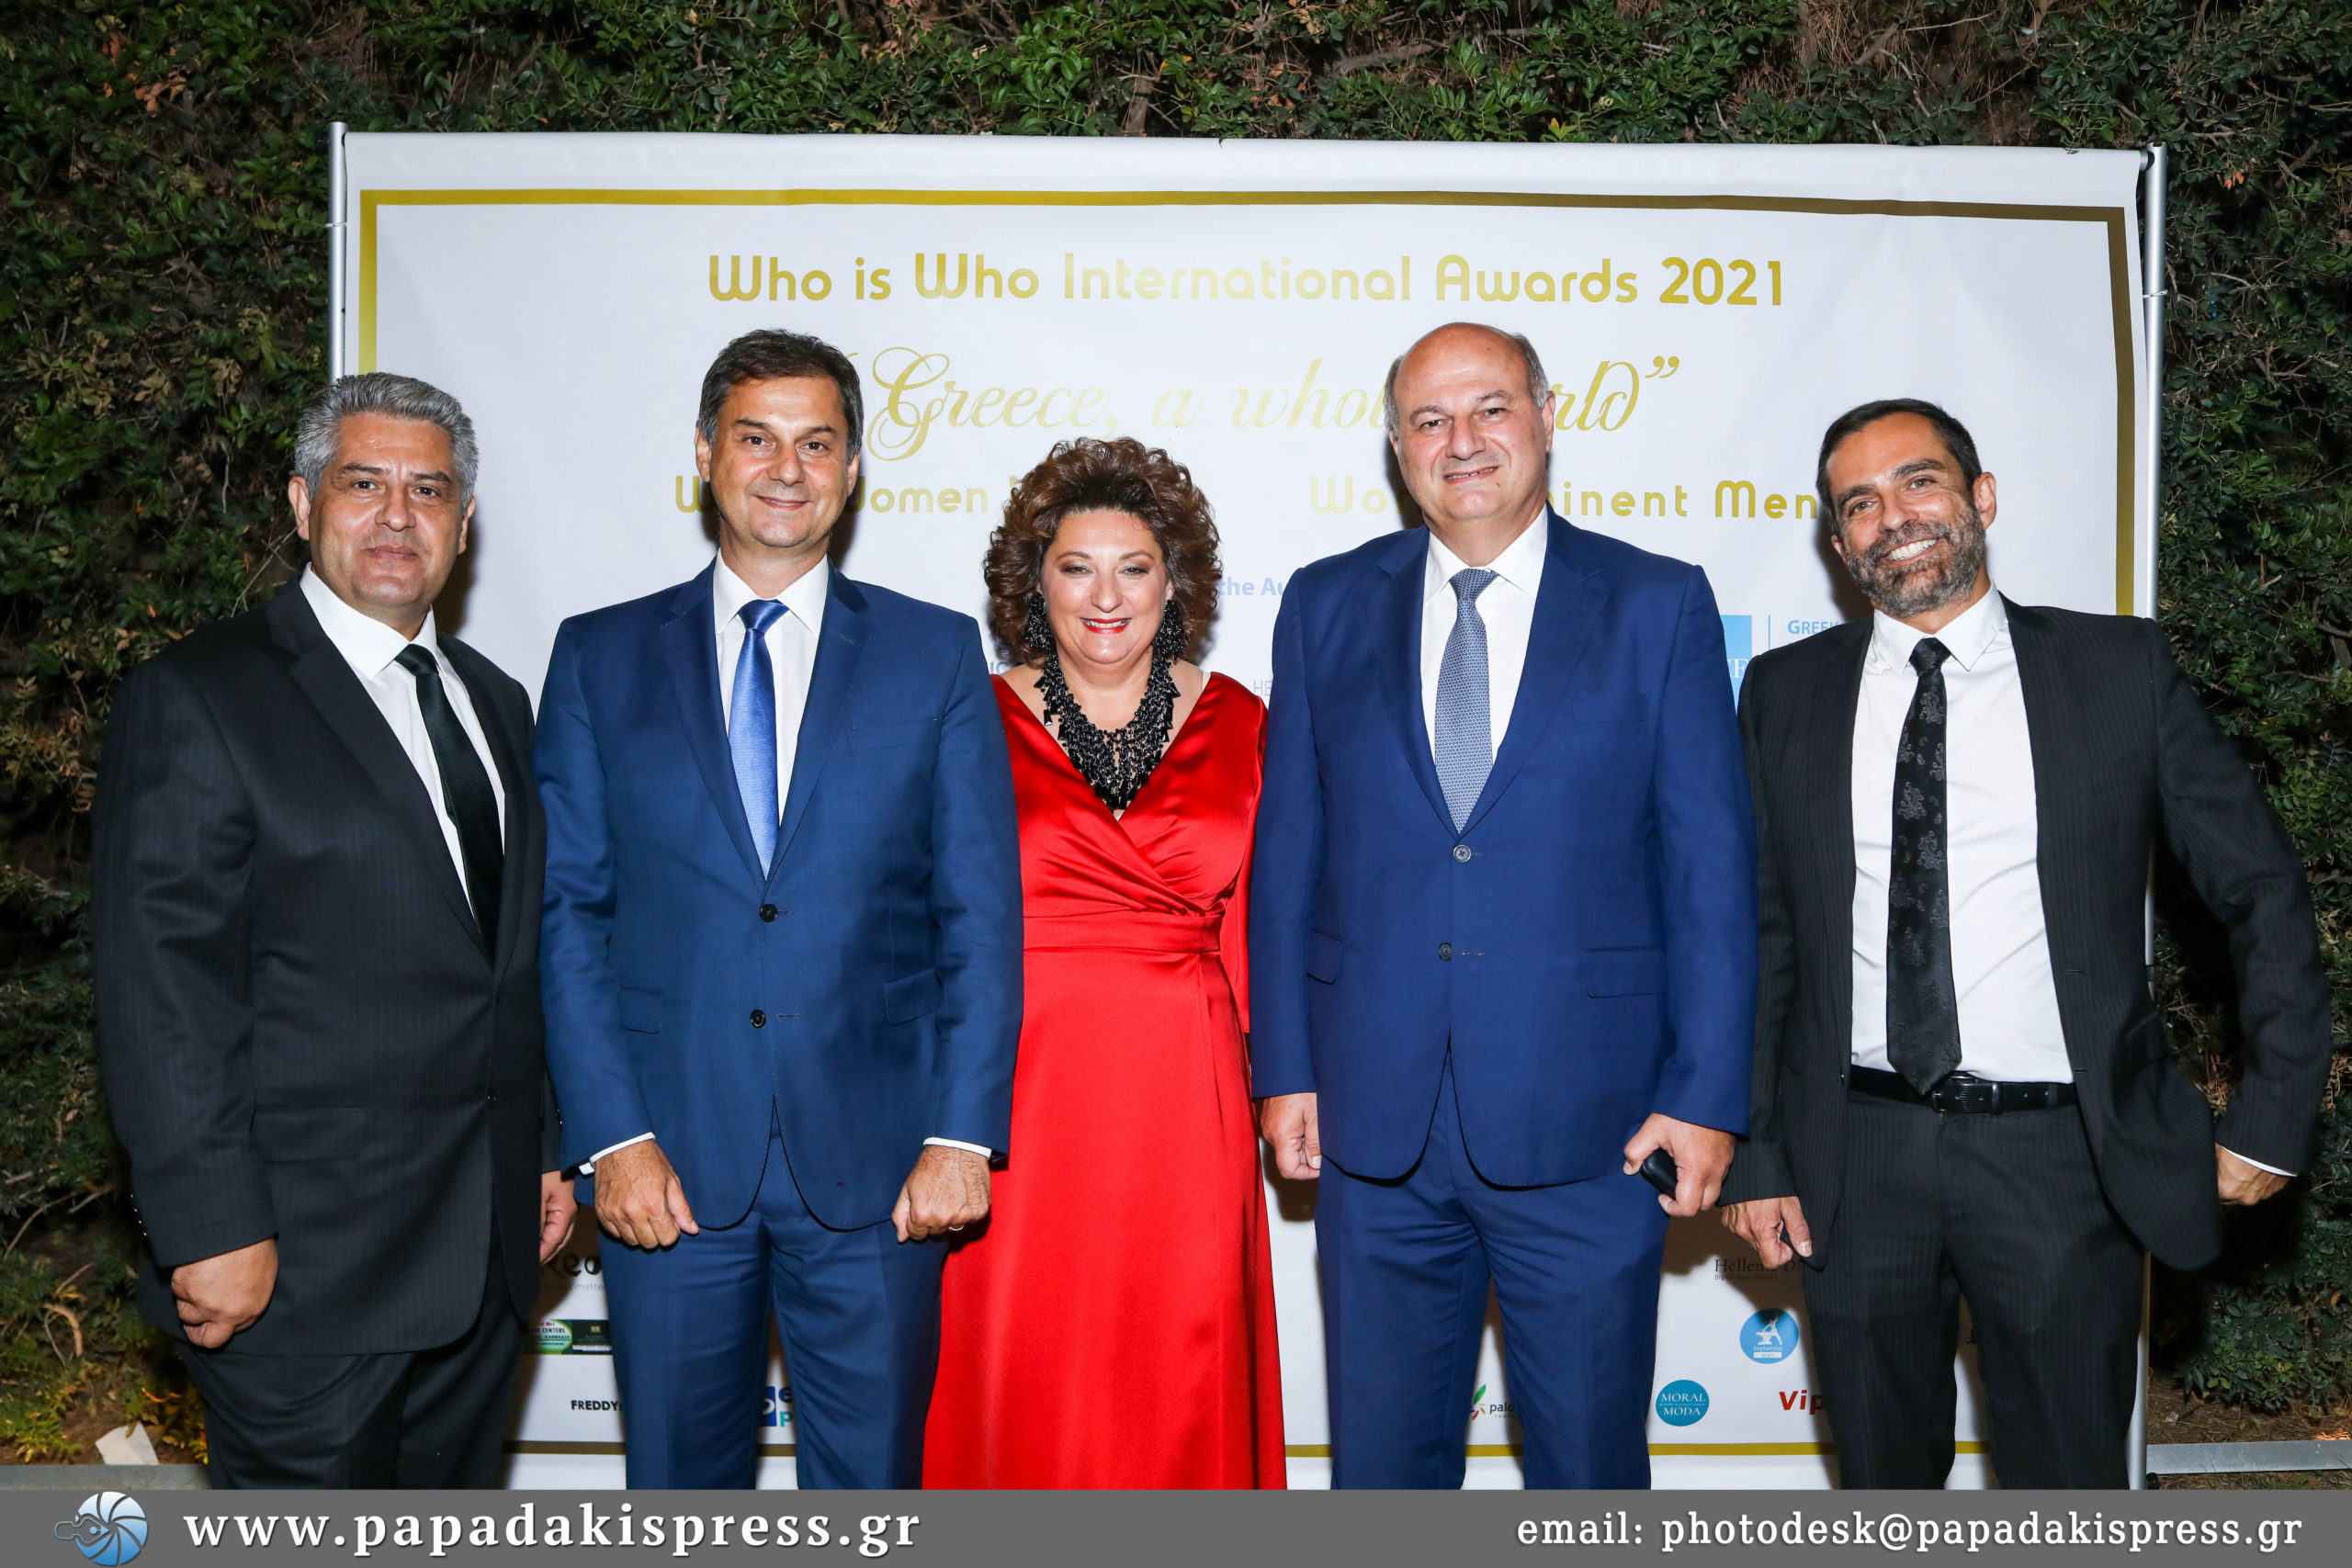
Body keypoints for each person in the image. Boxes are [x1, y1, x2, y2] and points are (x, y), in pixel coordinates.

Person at [1720, 400, 2333, 1488]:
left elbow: (2259, 889)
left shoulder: (2115, 668)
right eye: (1858, 503)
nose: (1892, 517)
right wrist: (1757, 1151)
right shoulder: (1785, 692)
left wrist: (2275, 1112)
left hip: (2062, 1157)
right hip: (1853, 1159)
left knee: (2066, 1491)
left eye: (1918, 481)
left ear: (1981, 497)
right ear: (1837, 542)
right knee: (1880, 1490)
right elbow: (1763, 940)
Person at [1250, 322, 1758, 1488]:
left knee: (1586, 1477)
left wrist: (1703, 1094)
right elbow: (1289, 861)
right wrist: (1284, 1069)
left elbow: (1711, 877)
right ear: (1396, 447)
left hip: (1593, 1130)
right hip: (1373, 1132)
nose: (1462, 440)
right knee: (1383, 1478)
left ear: (1544, 417)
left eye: (1489, 408)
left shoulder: (1656, 603)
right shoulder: (1325, 604)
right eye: (1428, 420)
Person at [535, 328, 1023, 1490]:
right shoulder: (599, 657)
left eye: (816, 442)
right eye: (756, 439)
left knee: (872, 1500)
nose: (786, 468)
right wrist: (611, 1139)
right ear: (706, 455)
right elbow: (567, 916)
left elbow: (977, 916)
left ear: (851, 469)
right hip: (665, 1166)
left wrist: (960, 1137)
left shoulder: (933, 654)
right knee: (680, 1498)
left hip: (881, 1171)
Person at [92, 373, 572, 1487]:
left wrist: (542, 1150)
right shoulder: (201, 696)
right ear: (304, 503)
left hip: (480, 1263)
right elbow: (162, 992)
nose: (398, 515)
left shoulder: (496, 702)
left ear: (463, 522)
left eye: (429, 491)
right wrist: (209, 1227)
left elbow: (506, 963)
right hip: (297, 1273)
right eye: (364, 484)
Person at [924, 438, 1285, 1489]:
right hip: (1019, 1094)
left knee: (1178, 1361)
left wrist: (1283, 1085)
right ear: (1032, 583)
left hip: (1187, 1095)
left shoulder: (1242, 720)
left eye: (1134, 567)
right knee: (1023, 1359)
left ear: (1174, 582)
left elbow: (1266, 927)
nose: (1106, 596)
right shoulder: (968, 719)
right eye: (1076, 567)